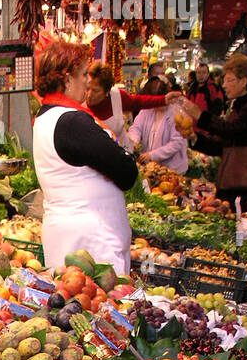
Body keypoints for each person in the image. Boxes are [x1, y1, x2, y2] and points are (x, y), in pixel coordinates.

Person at [33, 39, 138, 273]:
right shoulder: (72, 121)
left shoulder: (46, 117)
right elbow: (125, 171)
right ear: (67, 79)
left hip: (72, 237)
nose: (87, 81)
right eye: (82, 74)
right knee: (98, 305)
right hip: (91, 244)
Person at [183, 53, 247, 208]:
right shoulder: (239, 105)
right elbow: (223, 145)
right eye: (224, 80)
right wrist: (194, 138)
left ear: (244, 82)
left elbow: (232, 131)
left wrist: (200, 115)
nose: (224, 85)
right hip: (238, 181)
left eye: (229, 80)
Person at [85, 61, 177, 146]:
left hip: (121, 154)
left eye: (95, 91)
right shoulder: (80, 101)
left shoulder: (116, 96)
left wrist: (163, 100)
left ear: (106, 91)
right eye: (87, 88)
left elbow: (138, 102)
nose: (89, 95)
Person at [127, 77, 189, 173]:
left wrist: (152, 155)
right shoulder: (147, 109)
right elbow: (136, 127)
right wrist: (134, 141)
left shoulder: (176, 112)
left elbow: (176, 142)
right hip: (150, 167)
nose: (157, 106)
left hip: (173, 169)